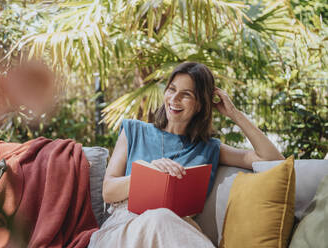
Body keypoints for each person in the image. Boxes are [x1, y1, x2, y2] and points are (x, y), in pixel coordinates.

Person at [88, 62, 284, 247]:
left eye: (186, 94)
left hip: (175, 230)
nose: (174, 99)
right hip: (124, 228)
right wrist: (149, 174)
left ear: (200, 104)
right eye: (172, 89)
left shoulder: (210, 148)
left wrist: (234, 114)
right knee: (159, 218)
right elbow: (108, 191)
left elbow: (272, 160)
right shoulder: (134, 131)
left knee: (162, 218)